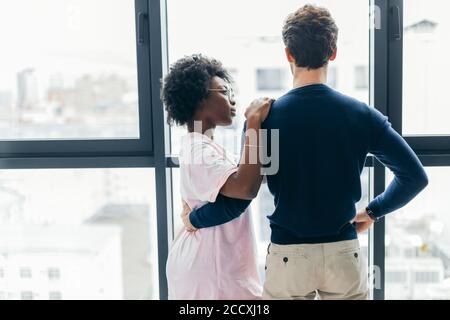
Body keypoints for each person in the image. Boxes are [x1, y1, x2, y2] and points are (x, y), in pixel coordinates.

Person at [182, 5, 428, 300]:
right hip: (343, 253)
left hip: (288, 256)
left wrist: (193, 219)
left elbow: (244, 192)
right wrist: (373, 211)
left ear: (288, 54)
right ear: (333, 52)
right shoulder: (362, 115)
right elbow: (414, 177)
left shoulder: (264, 119)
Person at [162, 54, 273, 300]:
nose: (233, 98)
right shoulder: (198, 150)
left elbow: (254, 174)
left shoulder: (207, 147)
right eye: (224, 91)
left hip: (215, 264)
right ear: (200, 98)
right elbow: (246, 188)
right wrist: (253, 121)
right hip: (210, 268)